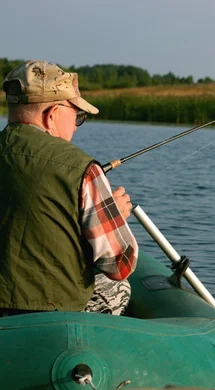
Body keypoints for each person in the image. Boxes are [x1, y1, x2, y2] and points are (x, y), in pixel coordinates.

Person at [0, 60, 138, 316]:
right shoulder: (82, 168)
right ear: (52, 115)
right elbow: (121, 265)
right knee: (118, 288)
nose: (76, 125)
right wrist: (111, 217)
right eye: (76, 115)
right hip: (49, 321)